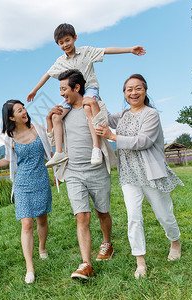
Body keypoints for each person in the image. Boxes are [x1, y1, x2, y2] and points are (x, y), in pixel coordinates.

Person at [96, 74, 183, 279]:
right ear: (124, 93)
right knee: (133, 217)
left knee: (164, 215)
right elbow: (105, 118)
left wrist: (113, 137)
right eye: (129, 89)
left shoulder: (151, 114)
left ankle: (175, 241)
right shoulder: (124, 115)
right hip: (129, 175)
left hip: (151, 174)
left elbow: (143, 141)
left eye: (138, 89)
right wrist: (94, 95)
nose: (133, 93)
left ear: (145, 90)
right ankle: (140, 261)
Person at [28, 23, 145, 167]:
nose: (65, 44)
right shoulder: (60, 62)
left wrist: (129, 49)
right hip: (72, 93)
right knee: (56, 115)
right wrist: (35, 90)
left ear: (75, 38)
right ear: (58, 44)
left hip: (89, 89)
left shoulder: (86, 52)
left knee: (88, 106)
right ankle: (59, 152)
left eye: (67, 40)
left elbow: (106, 50)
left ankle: (96, 148)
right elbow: (47, 75)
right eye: (61, 43)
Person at [46, 69, 117, 280]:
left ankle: (107, 243)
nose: (61, 94)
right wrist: (51, 118)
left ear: (77, 87)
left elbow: (103, 125)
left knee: (102, 211)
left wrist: (92, 106)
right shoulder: (62, 113)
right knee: (81, 216)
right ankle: (86, 263)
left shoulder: (95, 104)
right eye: (60, 89)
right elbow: (52, 140)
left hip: (96, 169)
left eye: (64, 89)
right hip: (74, 171)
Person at [0, 100, 52, 284]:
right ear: (11, 117)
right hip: (22, 183)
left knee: (42, 218)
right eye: (19, 110)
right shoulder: (9, 137)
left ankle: (42, 248)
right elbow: (8, 160)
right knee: (27, 223)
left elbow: (50, 147)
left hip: (41, 179)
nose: (24, 112)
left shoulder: (38, 128)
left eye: (24, 108)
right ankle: (30, 267)